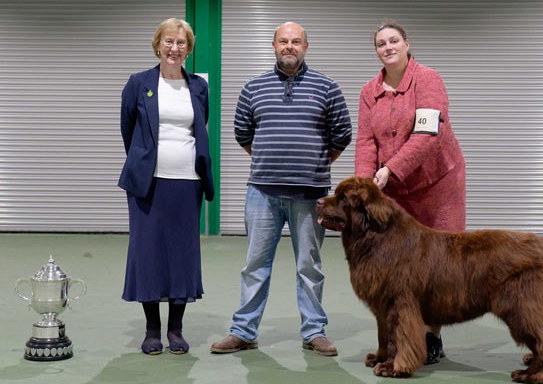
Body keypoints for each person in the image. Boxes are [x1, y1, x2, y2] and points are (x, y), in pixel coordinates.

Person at [210, 22, 352, 357]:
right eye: (284, 41)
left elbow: (342, 134)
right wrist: (272, 161)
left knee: (310, 266)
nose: (290, 47)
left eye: (296, 41)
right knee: (255, 265)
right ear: (274, 45)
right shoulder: (253, 88)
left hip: (311, 196)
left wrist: (313, 164)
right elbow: (243, 133)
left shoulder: (327, 87)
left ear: (306, 46)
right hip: (262, 193)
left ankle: (314, 331)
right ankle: (244, 331)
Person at [355, 19, 466, 365]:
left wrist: (391, 169)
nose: (387, 47)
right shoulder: (368, 91)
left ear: (406, 44)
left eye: (393, 41)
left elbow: (427, 135)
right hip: (393, 189)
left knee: (437, 264)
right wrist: (362, 187)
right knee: (396, 265)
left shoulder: (428, 79)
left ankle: (432, 337)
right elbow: (365, 141)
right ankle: (397, 337)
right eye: (381, 44)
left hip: (437, 185)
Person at [118, 18, 214, 355]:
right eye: (169, 41)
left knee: (181, 254)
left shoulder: (199, 86)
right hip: (147, 184)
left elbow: (199, 128)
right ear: (158, 44)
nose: (175, 48)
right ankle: (152, 330)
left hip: (188, 182)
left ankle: (176, 329)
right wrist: (145, 162)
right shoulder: (138, 82)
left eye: (182, 42)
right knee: (148, 253)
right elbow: (128, 129)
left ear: (189, 48)